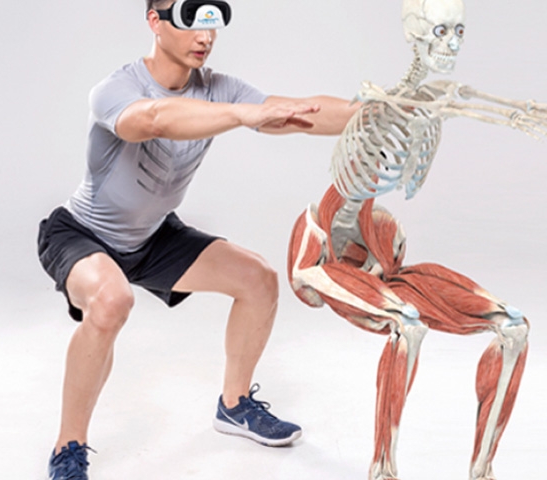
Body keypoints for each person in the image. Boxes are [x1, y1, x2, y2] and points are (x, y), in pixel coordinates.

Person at [36, 1, 358, 478]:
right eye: (191, 21)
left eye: (212, 23)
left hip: (153, 236)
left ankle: (235, 406)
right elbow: (153, 120)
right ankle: (69, 446)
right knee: (111, 301)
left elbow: (295, 113)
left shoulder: (218, 89)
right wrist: (242, 114)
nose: (205, 36)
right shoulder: (115, 89)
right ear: (155, 21)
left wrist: (375, 113)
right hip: (82, 233)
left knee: (258, 279)